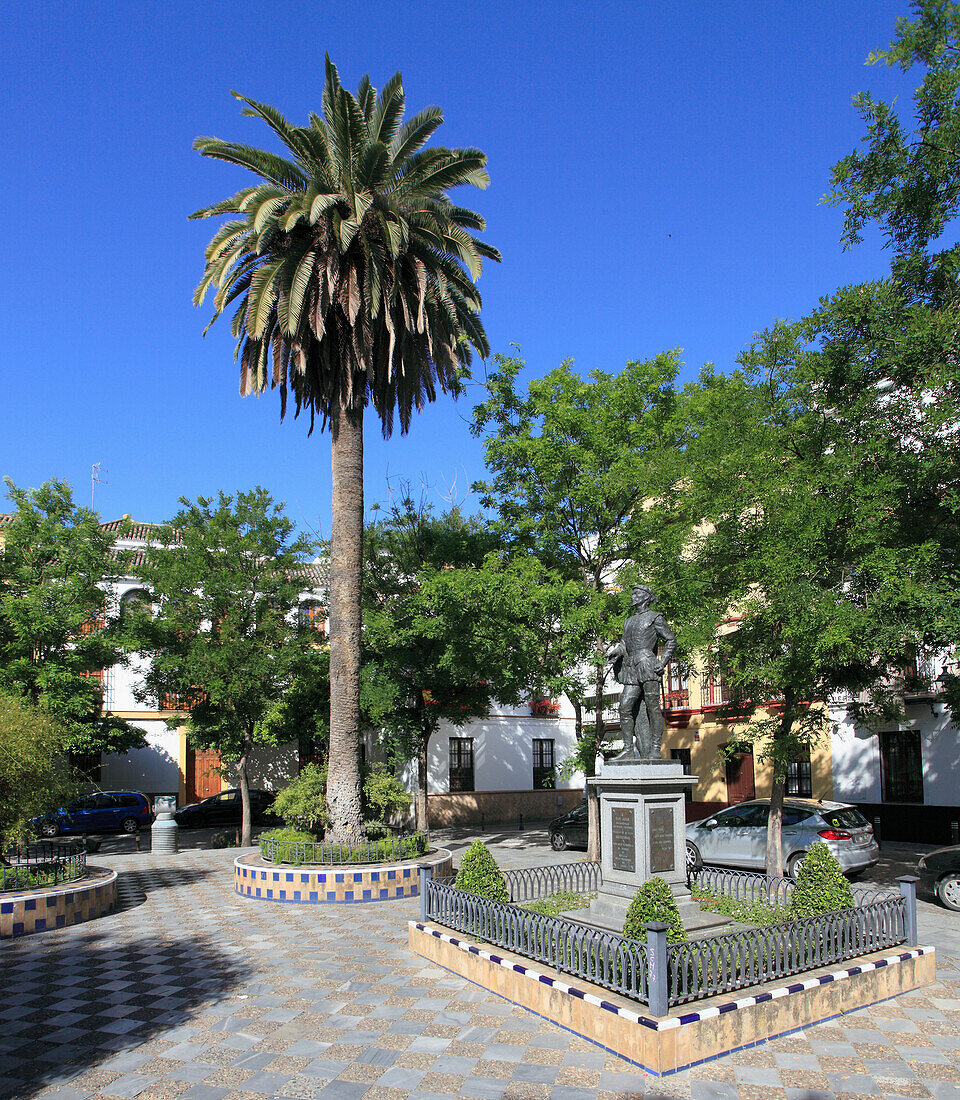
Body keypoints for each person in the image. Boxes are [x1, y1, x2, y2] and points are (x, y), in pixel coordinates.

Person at [606, 584, 676, 761]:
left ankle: (655, 748)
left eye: (636, 593)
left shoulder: (655, 618)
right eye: (633, 593)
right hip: (631, 667)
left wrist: (663, 662)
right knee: (624, 706)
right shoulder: (628, 621)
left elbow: (670, 640)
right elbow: (624, 644)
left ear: (646, 596)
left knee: (653, 707)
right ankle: (628, 749)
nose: (633, 596)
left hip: (647, 664)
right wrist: (617, 651)